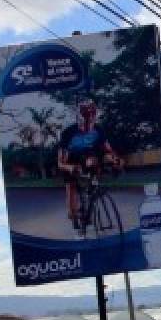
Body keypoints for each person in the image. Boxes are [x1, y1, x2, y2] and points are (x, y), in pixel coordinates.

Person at [57, 99, 121, 235]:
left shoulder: (98, 130)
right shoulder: (68, 133)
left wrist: (115, 161)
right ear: (78, 117)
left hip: (89, 158)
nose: (89, 120)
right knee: (71, 186)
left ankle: (89, 208)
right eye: (85, 116)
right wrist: (71, 168)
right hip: (71, 160)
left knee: (94, 164)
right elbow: (61, 163)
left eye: (92, 115)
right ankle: (74, 216)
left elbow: (108, 150)